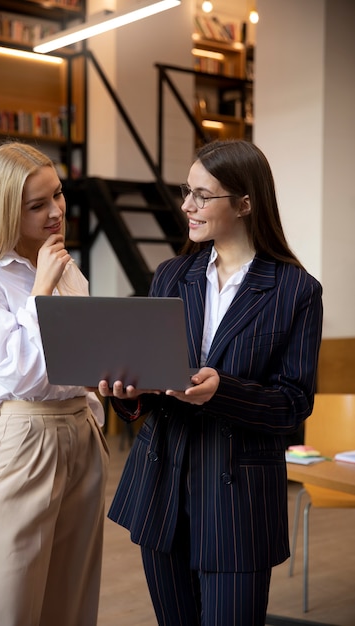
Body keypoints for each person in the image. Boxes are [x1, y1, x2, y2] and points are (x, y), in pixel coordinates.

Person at [98, 139, 323, 626]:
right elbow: (149, 388)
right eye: (187, 191)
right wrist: (128, 394)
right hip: (161, 490)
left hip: (237, 501)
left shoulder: (296, 290)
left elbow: (294, 404)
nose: (186, 206)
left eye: (203, 195)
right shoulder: (171, 275)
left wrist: (224, 390)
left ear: (245, 203)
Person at [0, 142, 109, 626]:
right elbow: (18, 372)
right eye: (37, 205)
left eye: (57, 196)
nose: (56, 211)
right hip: (26, 438)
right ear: (5, 210)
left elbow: (79, 363)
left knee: (71, 600)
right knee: (5, 601)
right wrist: (41, 288)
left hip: (82, 435)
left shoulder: (71, 271)